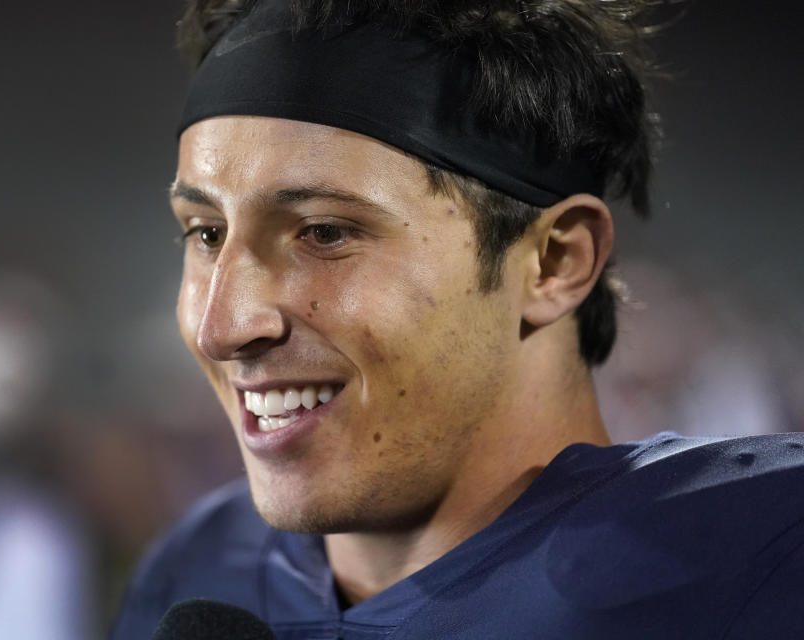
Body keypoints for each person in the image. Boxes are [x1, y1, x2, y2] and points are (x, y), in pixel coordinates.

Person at [110, 1, 804, 637]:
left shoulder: (763, 549)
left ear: (554, 263)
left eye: (324, 232)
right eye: (204, 233)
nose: (221, 327)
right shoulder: (199, 563)